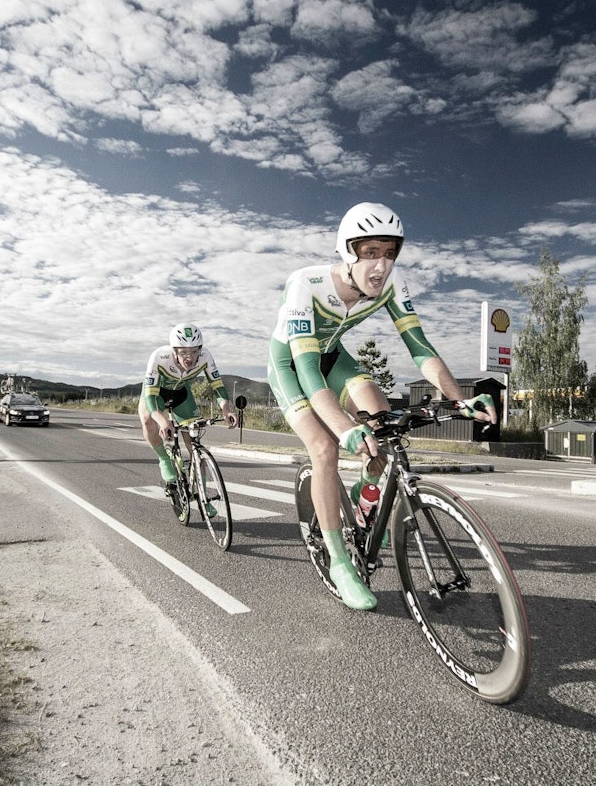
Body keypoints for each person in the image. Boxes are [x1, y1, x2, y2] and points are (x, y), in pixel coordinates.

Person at [266, 202, 497, 611]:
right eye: (370, 253)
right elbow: (305, 367)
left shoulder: (392, 283)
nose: (381, 266)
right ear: (347, 252)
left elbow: (420, 348)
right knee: (325, 448)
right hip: (292, 364)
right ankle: (339, 562)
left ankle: (367, 490)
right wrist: (342, 426)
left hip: (334, 357)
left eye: (389, 253)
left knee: (382, 425)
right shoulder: (306, 283)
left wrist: (459, 399)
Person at [139, 324, 239, 501]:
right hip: (156, 395)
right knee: (148, 419)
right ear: (174, 350)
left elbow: (217, 385)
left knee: (194, 443)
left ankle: (203, 497)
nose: (190, 357)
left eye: (194, 351)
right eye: (184, 352)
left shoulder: (205, 356)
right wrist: (162, 421)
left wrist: (226, 410)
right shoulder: (159, 357)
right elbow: (150, 398)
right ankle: (164, 458)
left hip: (182, 395)